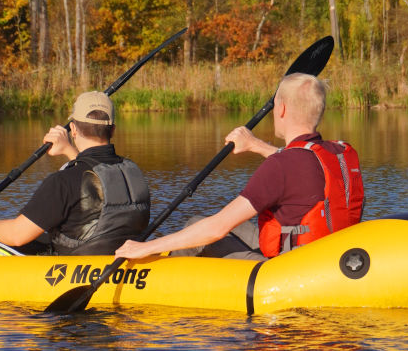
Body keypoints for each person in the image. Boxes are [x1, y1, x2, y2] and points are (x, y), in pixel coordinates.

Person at [114, 73, 364, 261]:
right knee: (197, 220)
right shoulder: (338, 152)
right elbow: (298, 166)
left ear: (283, 109)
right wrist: (255, 145)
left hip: (287, 267)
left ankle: (161, 290)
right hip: (325, 255)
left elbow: (217, 228)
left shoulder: (280, 166)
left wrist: (145, 247)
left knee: (200, 229)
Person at [0, 91, 150, 256]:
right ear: (113, 130)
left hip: (73, 267)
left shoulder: (62, 182)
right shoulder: (131, 171)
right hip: (112, 258)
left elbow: (15, 236)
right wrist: (68, 151)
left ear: (73, 129)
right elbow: (97, 180)